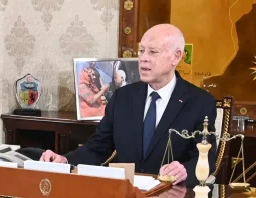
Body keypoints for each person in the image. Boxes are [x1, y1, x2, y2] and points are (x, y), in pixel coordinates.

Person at [42, 24, 217, 187]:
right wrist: (65, 161)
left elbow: (207, 158)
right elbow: (98, 147)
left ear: (176, 56)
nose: (144, 58)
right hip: (124, 195)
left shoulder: (200, 102)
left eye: (153, 52)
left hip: (171, 196)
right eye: (141, 51)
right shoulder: (122, 97)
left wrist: (184, 170)